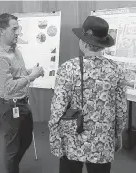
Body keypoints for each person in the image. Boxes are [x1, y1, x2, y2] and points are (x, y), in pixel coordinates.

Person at [48, 16, 128, 173]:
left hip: (72, 135)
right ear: (102, 44)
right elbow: (121, 109)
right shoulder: (116, 70)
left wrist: (54, 134)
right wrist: (117, 134)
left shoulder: (68, 68)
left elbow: (58, 107)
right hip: (102, 139)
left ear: (84, 43)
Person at [0, 13, 44, 173]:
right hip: (10, 106)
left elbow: (18, 75)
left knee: (26, 139)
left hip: (22, 103)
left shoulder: (15, 50)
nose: (18, 32)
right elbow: (8, 87)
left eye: (18, 28)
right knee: (12, 148)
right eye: (14, 29)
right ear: (1, 30)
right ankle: (12, 168)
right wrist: (31, 76)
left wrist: (32, 71)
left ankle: (13, 165)